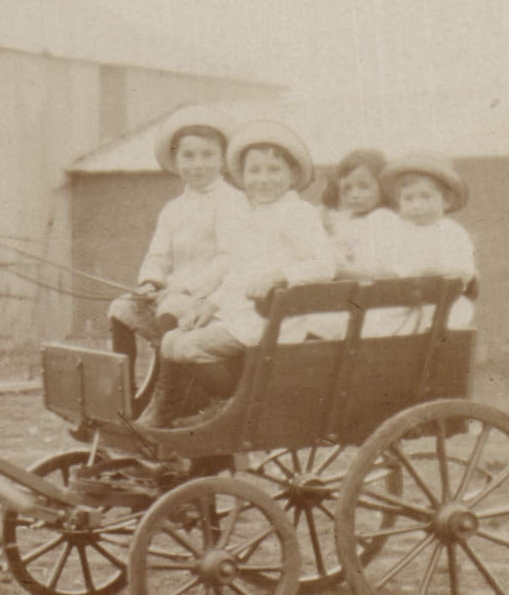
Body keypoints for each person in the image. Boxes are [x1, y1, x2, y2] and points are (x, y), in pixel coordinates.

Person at [138, 120, 335, 426]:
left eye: (274, 170)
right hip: (239, 314)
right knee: (172, 340)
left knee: (187, 347)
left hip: (271, 318)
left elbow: (324, 264)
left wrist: (278, 275)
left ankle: (233, 402)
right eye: (254, 171)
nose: (263, 179)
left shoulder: (298, 214)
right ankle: (215, 401)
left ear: (293, 175)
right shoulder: (251, 215)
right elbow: (237, 272)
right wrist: (210, 305)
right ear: (242, 177)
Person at [107, 105, 245, 372]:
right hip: (171, 294)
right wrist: (149, 282)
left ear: (223, 159)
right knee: (121, 308)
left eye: (207, 155)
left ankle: (169, 391)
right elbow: (158, 256)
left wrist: (186, 288)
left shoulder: (232, 203)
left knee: (171, 310)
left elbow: (227, 259)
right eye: (188, 156)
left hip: (213, 298)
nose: (198, 164)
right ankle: (126, 392)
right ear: (176, 160)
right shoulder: (173, 208)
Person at [380, 152, 477, 332]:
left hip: (441, 301)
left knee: (450, 317)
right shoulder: (399, 232)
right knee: (378, 320)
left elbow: (464, 270)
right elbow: (389, 265)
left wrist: (433, 271)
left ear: (446, 200)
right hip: (402, 303)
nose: (416, 205)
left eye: (425, 197)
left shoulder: (451, 231)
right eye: (408, 198)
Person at [320, 148, 401, 279]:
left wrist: (337, 270)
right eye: (347, 188)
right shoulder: (344, 221)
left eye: (364, 187)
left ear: (383, 186)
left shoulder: (384, 219)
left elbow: (382, 271)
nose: (355, 195)